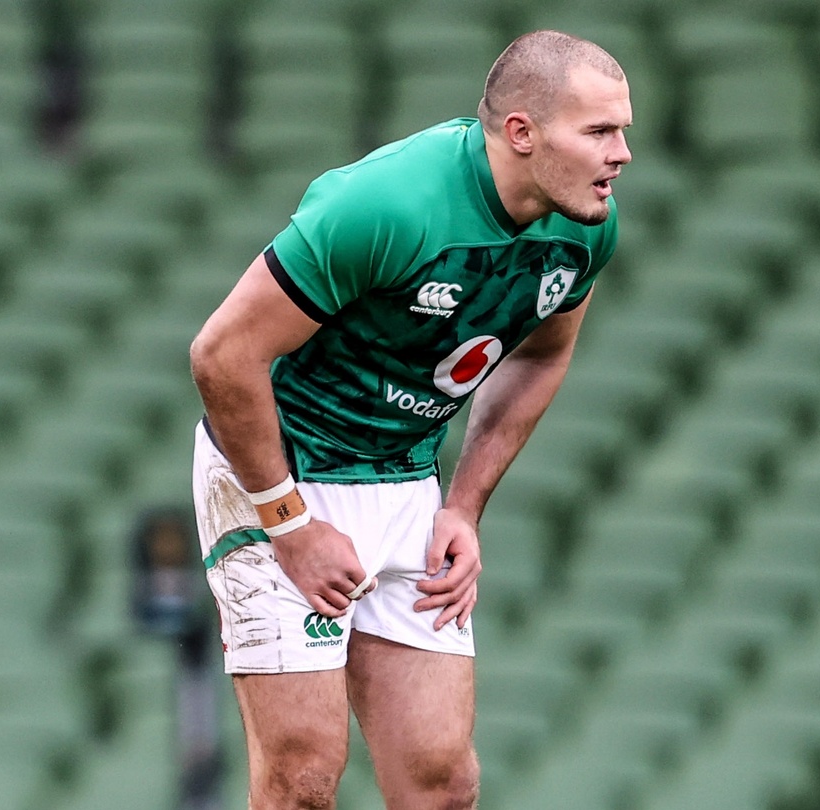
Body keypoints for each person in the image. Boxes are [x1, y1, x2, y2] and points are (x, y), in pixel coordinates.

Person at [187, 30, 631, 810]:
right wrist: (288, 525)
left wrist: (461, 505)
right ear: (521, 133)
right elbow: (222, 356)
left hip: (404, 479)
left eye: (622, 130)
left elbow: (537, 355)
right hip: (283, 474)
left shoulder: (588, 227)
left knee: (442, 782)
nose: (621, 153)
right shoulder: (388, 204)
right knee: (301, 779)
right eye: (599, 131)